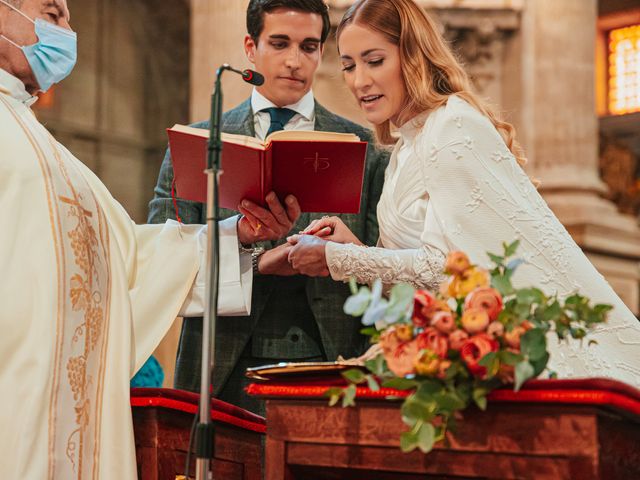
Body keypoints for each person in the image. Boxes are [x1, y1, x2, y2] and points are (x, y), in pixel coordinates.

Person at [0, 0, 298, 477]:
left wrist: (238, 236)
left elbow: (129, 260)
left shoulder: (45, 148)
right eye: (53, 15)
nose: (67, 32)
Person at [287, 0, 640, 387]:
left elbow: (447, 269)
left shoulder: (451, 125)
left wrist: (339, 257)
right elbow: (415, 280)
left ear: (412, 56)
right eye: (349, 65)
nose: (359, 81)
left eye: (374, 61)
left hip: (499, 365)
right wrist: (351, 245)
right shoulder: (405, 146)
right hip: (450, 360)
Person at [149, 0, 389, 414]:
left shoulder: (364, 148)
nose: (295, 61)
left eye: (309, 47)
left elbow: (389, 266)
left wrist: (346, 254)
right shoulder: (198, 143)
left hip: (334, 363)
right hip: (223, 369)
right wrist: (253, 259)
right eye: (279, 43)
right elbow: (161, 257)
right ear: (250, 47)